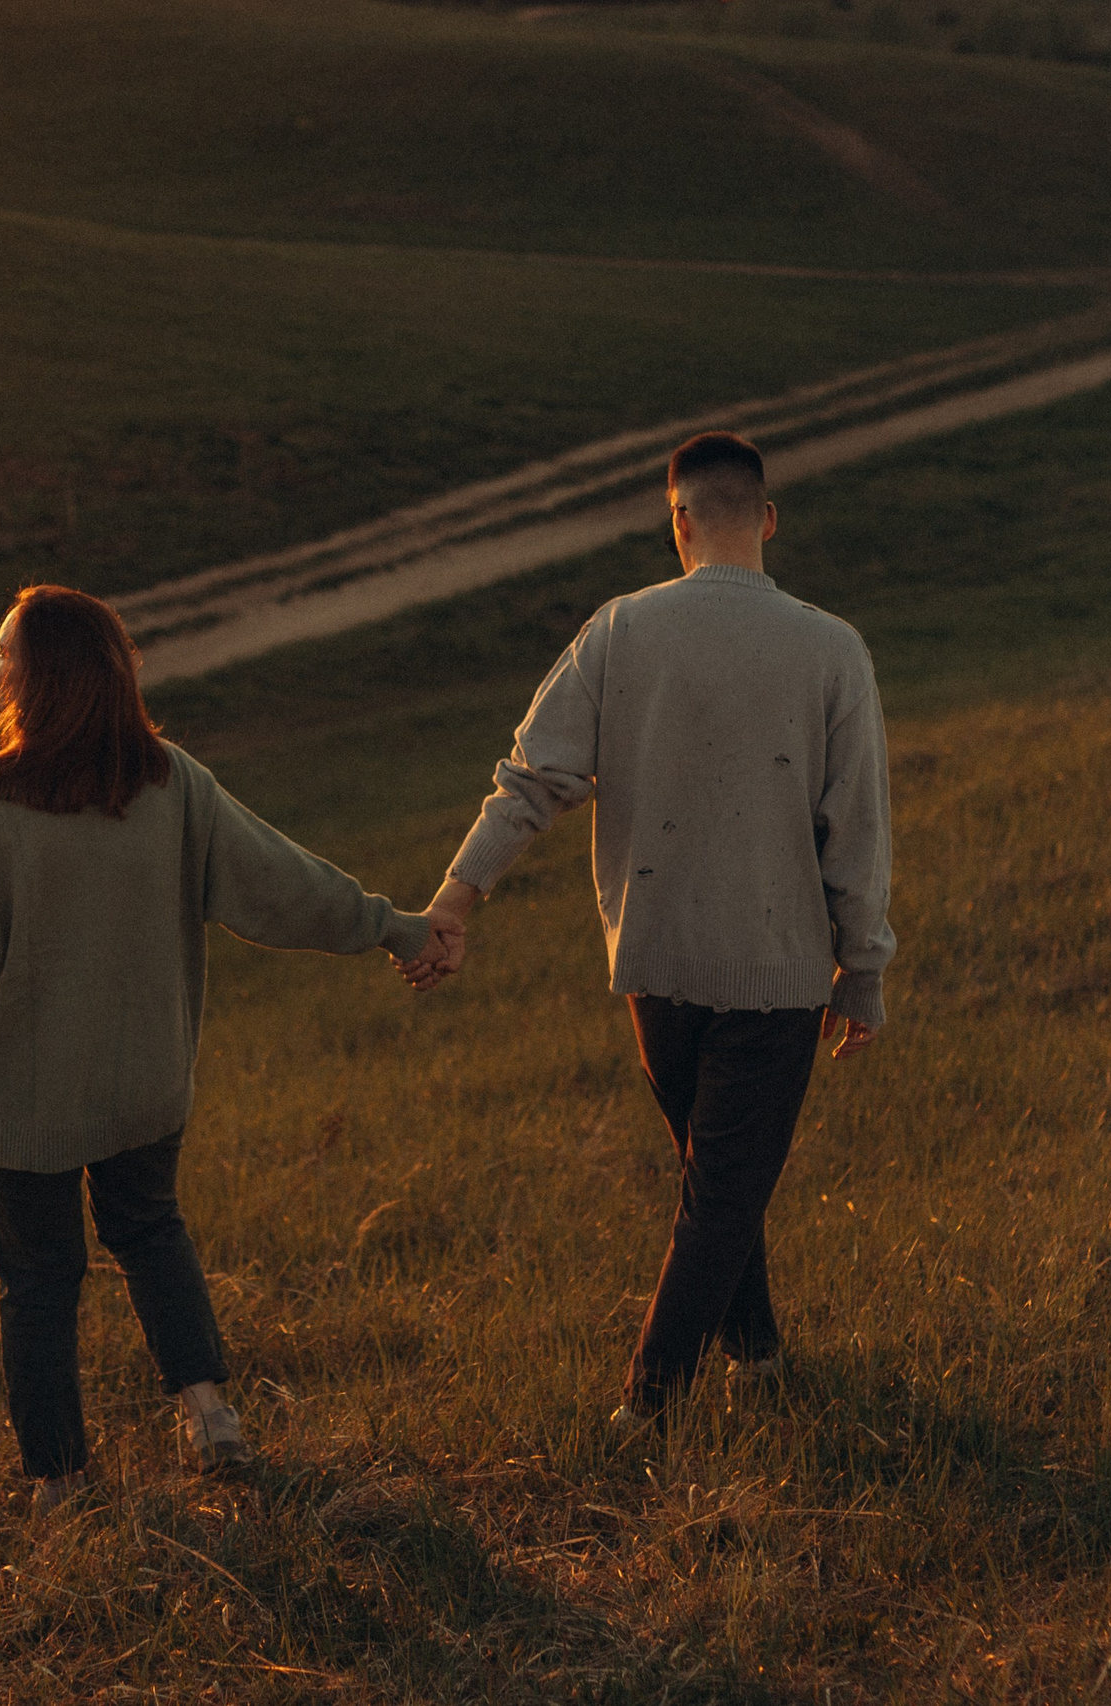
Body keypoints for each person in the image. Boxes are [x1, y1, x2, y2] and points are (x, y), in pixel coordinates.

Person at [0, 584, 456, 1514]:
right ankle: (212, 1415)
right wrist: (392, 927)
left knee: (36, 1282)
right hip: (145, 1081)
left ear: (35, 680)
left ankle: (60, 1482)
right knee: (151, 1233)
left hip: (28, 1102)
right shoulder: (170, 782)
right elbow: (281, 880)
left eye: (3, 658)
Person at [416, 431, 893, 1431]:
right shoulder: (830, 646)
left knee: (716, 1174)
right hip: (777, 966)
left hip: (653, 964)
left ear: (674, 521)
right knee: (721, 1186)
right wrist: (864, 968)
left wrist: (455, 900)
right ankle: (646, 1407)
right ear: (765, 519)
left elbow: (530, 780)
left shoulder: (618, 630)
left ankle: (758, 1359)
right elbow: (854, 825)